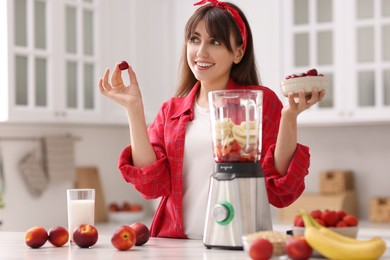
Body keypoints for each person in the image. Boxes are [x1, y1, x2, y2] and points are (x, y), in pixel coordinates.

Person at [98, 0, 326, 239]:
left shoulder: (258, 103)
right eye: (194, 39)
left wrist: (289, 117)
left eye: (215, 41)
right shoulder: (171, 112)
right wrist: (134, 109)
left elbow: (280, 191)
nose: (201, 51)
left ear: (238, 52)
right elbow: (152, 185)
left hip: (238, 243)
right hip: (175, 246)